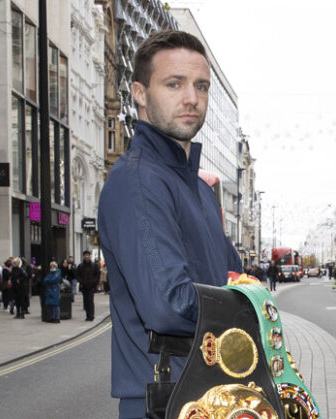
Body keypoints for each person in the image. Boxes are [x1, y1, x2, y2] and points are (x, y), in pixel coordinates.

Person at [98, 30, 241, 418]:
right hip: (166, 400)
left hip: (206, 395)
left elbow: (233, 276)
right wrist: (249, 306)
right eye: (173, 84)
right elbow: (168, 306)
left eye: (201, 86)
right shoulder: (138, 181)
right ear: (141, 94)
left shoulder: (197, 187)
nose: (191, 98)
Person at [76, 250, 100, 321]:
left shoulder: (94, 265)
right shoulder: (80, 266)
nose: (86, 256)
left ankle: (91, 315)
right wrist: (81, 281)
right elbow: (77, 275)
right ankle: (87, 315)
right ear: (83, 256)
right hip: (84, 286)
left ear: (90, 256)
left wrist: (94, 282)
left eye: (87, 255)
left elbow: (97, 275)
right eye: (85, 255)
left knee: (90, 300)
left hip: (91, 286)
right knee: (85, 301)